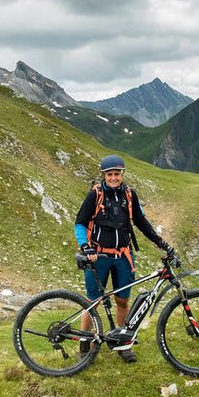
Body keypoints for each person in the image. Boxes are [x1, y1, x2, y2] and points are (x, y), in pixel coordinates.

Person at [73, 154, 176, 363]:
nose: (113, 178)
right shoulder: (95, 195)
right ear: (104, 175)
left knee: (122, 301)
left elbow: (142, 223)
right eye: (109, 174)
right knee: (92, 301)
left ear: (122, 174)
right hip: (98, 256)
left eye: (117, 174)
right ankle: (84, 342)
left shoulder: (129, 195)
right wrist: (85, 247)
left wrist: (162, 243)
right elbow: (80, 223)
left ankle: (123, 343)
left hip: (123, 256)